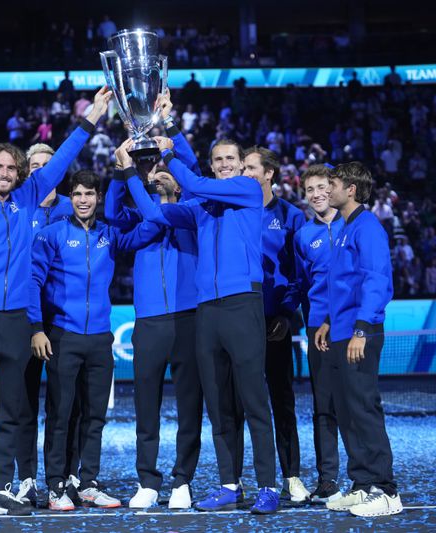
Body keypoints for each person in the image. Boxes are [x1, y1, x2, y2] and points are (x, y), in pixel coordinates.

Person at [0, 86, 111, 519]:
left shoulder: (30, 197)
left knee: (13, 413)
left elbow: (65, 156)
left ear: (19, 174)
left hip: (16, 322)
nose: (5, 172)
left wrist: (93, 116)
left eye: (12, 168)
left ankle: (0, 488)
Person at [129, 135, 279, 514]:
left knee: (253, 400)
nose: (225, 163)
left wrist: (169, 151)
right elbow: (155, 215)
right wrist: (131, 174)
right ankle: (230, 483)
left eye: (231, 158)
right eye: (218, 159)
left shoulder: (247, 189)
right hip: (207, 310)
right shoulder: (200, 208)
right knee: (217, 404)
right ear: (212, 164)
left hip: (242, 301)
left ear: (242, 164)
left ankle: (268, 484)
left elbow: (193, 182)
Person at [30, 169, 161, 511]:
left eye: (90, 194)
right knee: (60, 415)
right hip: (63, 334)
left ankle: (88, 481)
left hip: (100, 337)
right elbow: (32, 283)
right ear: (69, 198)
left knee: (95, 416)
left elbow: (154, 222)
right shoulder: (51, 234)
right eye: (77, 195)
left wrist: (127, 176)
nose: (84, 200)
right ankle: (56, 484)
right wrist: (36, 328)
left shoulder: (109, 234)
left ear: (98, 198)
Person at [106, 97, 203, 510]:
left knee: (189, 404)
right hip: (148, 321)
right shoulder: (139, 215)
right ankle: (147, 480)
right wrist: (121, 172)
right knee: (146, 403)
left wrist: (171, 129)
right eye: (154, 170)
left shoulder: (197, 211)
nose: (158, 174)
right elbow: (112, 216)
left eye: (165, 169)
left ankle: (183, 480)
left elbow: (195, 170)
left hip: (189, 318)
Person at [314, 161, 403, 517]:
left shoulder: (367, 227)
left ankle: (386, 490)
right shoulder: (345, 227)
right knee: (348, 412)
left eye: (332, 183)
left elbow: (377, 279)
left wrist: (361, 330)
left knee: (364, 409)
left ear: (351, 189)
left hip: (359, 333)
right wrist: (326, 321)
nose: (327, 188)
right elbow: (341, 284)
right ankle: (363, 484)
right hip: (340, 331)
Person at [243, 146, 308, 503]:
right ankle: (236, 480)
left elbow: (299, 273)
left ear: (270, 173)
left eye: (252, 168)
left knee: (282, 400)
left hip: (275, 323)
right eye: (245, 168)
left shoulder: (290, 215)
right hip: (240, 321)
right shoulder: (234, 210)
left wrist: (285, 313)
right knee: (239, 403)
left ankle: (291, 476)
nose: (247, 173)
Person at [15, 142, 75, 508]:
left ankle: (64, 477)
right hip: (25, 320)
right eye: (33, 164)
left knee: (65, 406)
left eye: (46, 164)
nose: (39, 170)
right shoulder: (19, 208)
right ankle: (26, 478)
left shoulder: (74, 207)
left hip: (63, 321)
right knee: (23, 405)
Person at [291, 164, 344, 504]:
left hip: (352, 327)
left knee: (357, 404)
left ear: (335, 189)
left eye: (322, 186)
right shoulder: (302, 236)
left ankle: (366, 477)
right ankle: (328, 480)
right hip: (317, 328)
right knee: (323, 406)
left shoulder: (354, 226)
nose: (316, 194)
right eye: (310, 189)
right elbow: (300, 283)